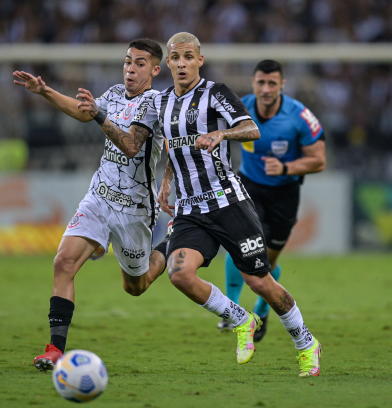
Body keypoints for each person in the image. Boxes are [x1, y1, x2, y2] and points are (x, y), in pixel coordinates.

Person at [78, 32, 322, 377]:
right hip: (190, 208)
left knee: (259, 282)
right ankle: (242, 320)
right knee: (179, 275)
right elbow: (156, 146)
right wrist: (166, 181)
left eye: (188, 57)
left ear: (199, 61)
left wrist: (222, 134)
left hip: (228, 202)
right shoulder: (159, 103)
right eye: (176, 57)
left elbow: (251, 129)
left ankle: (305, 341)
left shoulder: (215, 93)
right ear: (170, 64)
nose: (181, 63)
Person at [12, 38, 169, 371]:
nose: (131, 68)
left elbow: (130, 145)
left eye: (140, 63)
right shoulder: (113, 94)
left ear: (155, 69)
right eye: (128, 61)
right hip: (99, 196)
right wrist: (45, 92)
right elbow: (83, 112)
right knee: (63, 262)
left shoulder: (155, 102)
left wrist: (98, 116)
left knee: (136, 288)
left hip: (134, 208)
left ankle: (169, 244)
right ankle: (55, 349)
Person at [217, 59, 326, 342]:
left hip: (285, 193)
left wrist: (287, 168)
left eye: (272, 83)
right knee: (241, 245)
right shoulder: (239, 108)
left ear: (282, 85)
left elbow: (319, 160)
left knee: (266, 260)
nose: (266, 89)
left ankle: (262, 311)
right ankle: (230, 311)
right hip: (249, 185)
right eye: (261, 83)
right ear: (253, 83)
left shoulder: (299, 116)